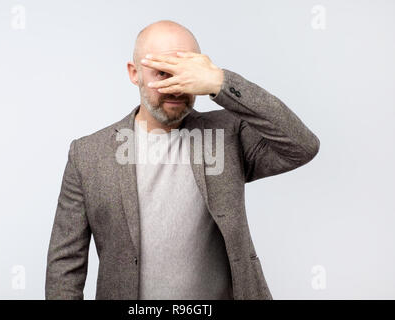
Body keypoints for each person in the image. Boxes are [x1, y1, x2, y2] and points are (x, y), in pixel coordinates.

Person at [45, 19, 320, 300]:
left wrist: (220, 82)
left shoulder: (228, 134)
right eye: (162, 73)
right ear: (134, 73)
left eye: (185, 73)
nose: (176, 87)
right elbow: (64, 266)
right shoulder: (88, 154)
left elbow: (302, 145)